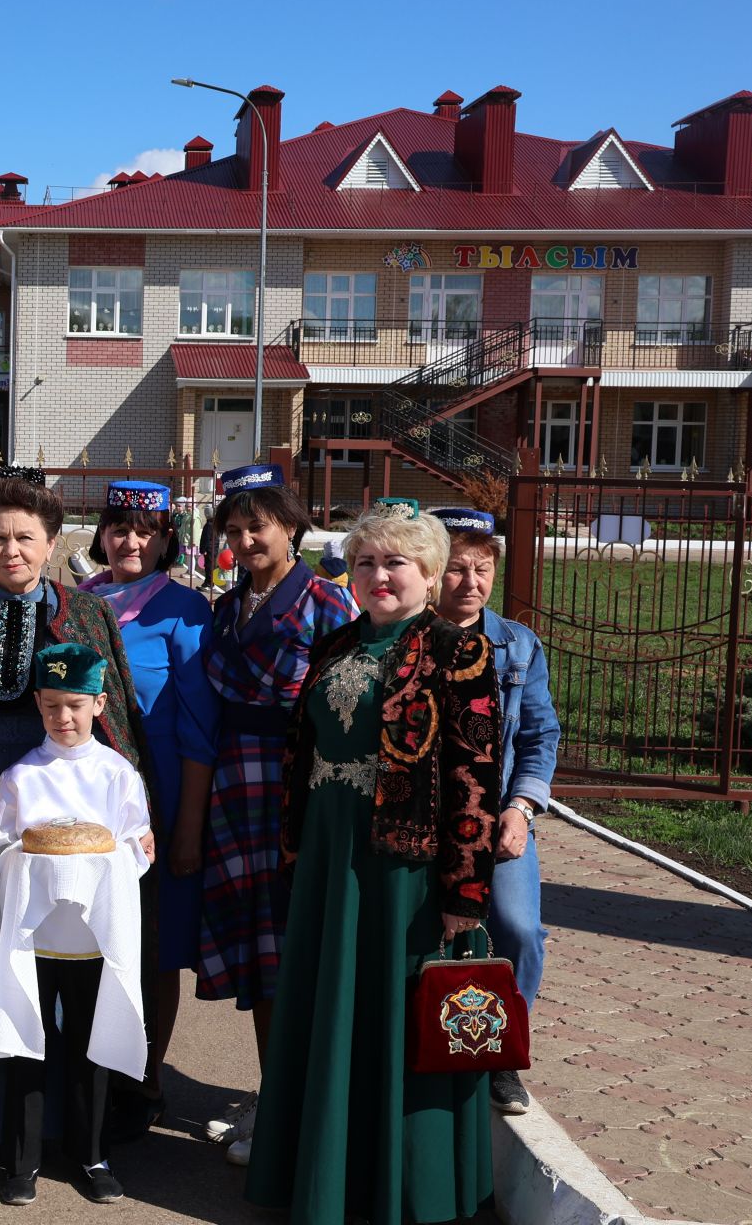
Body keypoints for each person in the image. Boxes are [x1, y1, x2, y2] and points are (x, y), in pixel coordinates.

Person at [246, 502, 502, 1224]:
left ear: (427, 574)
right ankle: (327, 1180)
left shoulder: (458, 653)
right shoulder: (333, 647)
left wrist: (465, 892)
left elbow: (475, 777)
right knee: (332, 1014)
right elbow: (305, 755)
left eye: (396, 563)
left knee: (397, 1021)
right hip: (331, 861)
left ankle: (407, 1192)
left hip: (405, 875)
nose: (379, 575)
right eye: (365, 562)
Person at [198, 463, 358, 1165]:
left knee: (300, 951)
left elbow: (349, 712)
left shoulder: (329, 603)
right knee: (262, 957)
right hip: (236, 789)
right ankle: (271, 1095)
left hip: (299, 794)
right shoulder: (227, 607)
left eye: (256, 526)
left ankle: (307, 1111)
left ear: (290, 525)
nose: (245, 540)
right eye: (233, 529)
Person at [0, 642, 154, 1207]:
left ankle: (92, 1154)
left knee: (91, 1045)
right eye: (53, 705)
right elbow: (4, 849)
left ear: (99, 704)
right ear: (37, 703)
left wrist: (110, 859)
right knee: (26, 1045)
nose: (64, 718)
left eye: (77, 705)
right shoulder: (21, 777)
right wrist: (36, 860)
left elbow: (136, 846)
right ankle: (21, 1159)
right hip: (36, 938)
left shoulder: (118, 774)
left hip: (92, 939)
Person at [80, 481, 219, 1121]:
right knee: (85, 934)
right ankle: (87, 1075)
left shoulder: (186, 612)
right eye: (119, 527)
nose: (130, 541)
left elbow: (199, 727)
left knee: (153, 941)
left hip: (158, 797)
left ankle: (147, 1076)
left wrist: (187, 825)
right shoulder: (77, 600)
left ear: (166, 538)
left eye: (145, 530)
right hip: (85, 797)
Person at [0, 476, 149, 840]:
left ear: (50, 545)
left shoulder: (87, 614)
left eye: (24, 538)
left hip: (59, 790)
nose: (10, 551)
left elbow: (114, 722)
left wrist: (136, 813)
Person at [433, 506, 559, 1117]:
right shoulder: (409, 639)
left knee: (516, 928)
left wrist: (522, 808)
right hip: (422, 817)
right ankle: (422, 1045)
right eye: (457, 569)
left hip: (497, 816)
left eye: (482, 570)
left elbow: (539, 734)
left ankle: (503, 1053)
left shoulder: (518, 645)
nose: (471, 583)